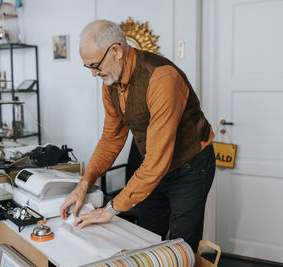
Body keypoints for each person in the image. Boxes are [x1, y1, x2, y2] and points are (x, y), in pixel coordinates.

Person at [60, 19, 216, 252]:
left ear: (116, 51)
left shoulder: (161, 78)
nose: (93, 74)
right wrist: (84, 183)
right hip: (154, 171)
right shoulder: (110, 82)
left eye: (95, 65)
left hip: (190, 168)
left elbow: (156, 160)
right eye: (88, 67)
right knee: (146, 239)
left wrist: (110, 209)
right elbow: (111, 140)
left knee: (181, 247)